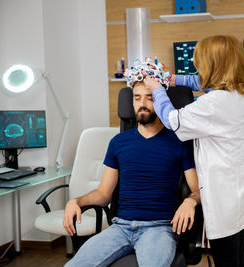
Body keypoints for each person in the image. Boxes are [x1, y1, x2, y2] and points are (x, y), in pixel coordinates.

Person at [144, 35, 244, 267]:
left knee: (227, 260)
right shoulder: (241, 93)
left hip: (222, 195)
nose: (197, 67)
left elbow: (173, 120)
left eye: (201, 63)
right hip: (238, 190)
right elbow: (202, 83)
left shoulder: (213, 103)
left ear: (214, 65)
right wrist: (171, 78)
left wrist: (157, 90)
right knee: (237, 254)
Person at [63, 81, 200, 267]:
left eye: (149, 97)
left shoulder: (179, 141)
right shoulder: (118, 142)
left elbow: (197, 190)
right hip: (120, 227)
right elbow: (103, 194)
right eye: (137, 98)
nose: (142, 103)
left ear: (161, 100)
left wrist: (190, 201)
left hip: (159, 228)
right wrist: (76, 202)